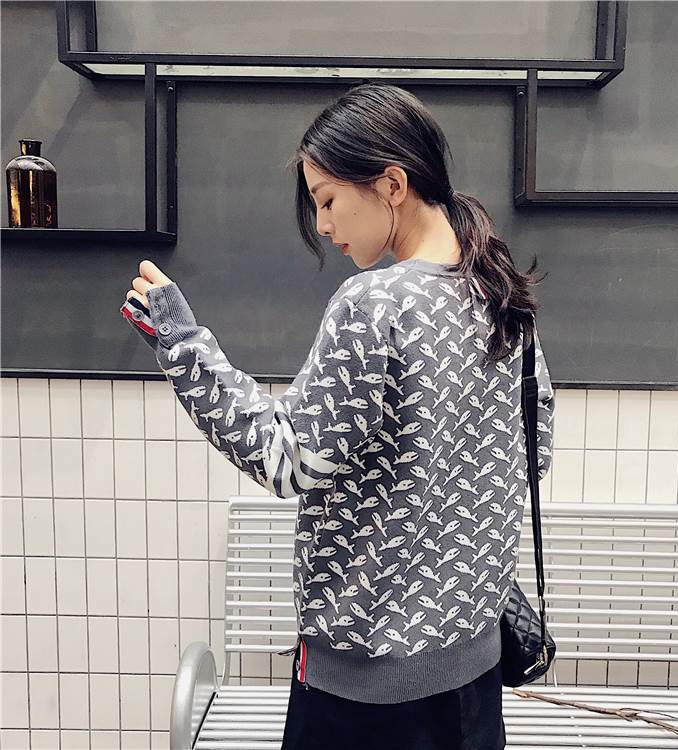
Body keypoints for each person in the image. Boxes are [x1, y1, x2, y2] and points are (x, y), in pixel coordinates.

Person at [123, 82, 555, 750]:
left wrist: (181, 345)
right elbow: (533, 452)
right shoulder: (501, 295)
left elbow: (287, 461)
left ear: (391, 184)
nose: (323, 225)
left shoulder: (373, 304)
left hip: (366, 699)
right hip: (475, 681)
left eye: (327, 199)